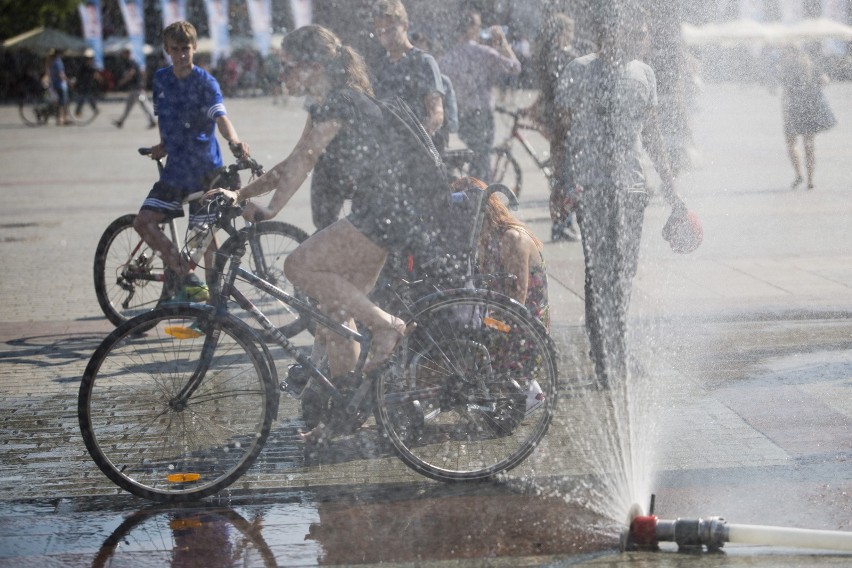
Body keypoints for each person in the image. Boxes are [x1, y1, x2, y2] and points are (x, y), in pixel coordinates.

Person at [205, 25, 444, 444]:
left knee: (298, 264)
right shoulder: (325, 104)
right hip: (386, 211)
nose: (282, 77)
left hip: (386, 212)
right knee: (335, 319)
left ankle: (387, 327)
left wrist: (271, 208)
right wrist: (241, 193)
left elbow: (307, 157)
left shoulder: (341, 101)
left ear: (313, 66)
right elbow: (293, 161)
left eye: (287, 67)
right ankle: (340, 423)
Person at [554, 7, 689, 390]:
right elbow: (561, 134)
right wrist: (559, 186)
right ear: (614, 32)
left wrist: (670, 186)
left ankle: (617, 349)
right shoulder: (578, 70)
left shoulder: (644, 73)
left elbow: (652, 134)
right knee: (599, 275)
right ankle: (604, 359)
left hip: (632, 190)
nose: (644, 38)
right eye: (639, 31)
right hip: (592, 190)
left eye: (646, 31)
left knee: (624, 275)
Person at [133, 21, 249, 302]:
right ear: (167, 51)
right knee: (143, 222)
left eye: (186, 48)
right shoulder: (161, 79)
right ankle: (184, 274)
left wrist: (234, 142)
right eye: (175, 50)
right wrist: (163, 145)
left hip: (206, 171)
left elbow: (222, 118)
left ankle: (213, 302)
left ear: (194, 48)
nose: (182, 55)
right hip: (175, 171)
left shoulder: (205, 82)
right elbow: (162, 116)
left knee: (204, 236)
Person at [453, 176, 549, 413]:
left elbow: (518, 301)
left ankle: (528, 391)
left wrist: (484, 320)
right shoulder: (485, 240)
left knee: (470, 332)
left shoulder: (511, 238)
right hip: (502, 315)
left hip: (526, 326)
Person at [439, 9, 521, 181]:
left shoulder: (449, 58)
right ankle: (483, 198)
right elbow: (514, 67)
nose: (480, 28)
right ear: (470, 29)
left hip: (462, 117)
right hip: (482, 115)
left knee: (475, 158)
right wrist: (502, 43)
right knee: (482, 161)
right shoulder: (484, 53)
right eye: (478, 25)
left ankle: (475, 194)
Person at [527, 13, 583, 242]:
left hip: (556, 123)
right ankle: (563, 225)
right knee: (569, 177)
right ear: (562, 33)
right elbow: (569, 93)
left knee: (562, 177)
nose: (573, 35)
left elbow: (548, 93)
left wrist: (537, 110)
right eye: (570, 31)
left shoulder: (547, 58)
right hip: (567, 123)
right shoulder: (566, 58)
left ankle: (561, 224)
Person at [371, 0, 445, 153]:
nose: (386, 37)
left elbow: (437, 114)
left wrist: (419, 139)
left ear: (405, 25)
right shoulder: (379, 67)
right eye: (380, 32)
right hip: (384, 153)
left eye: (391, 30)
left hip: (414, 155)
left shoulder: (423, 62)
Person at [775, 44, 837, 191]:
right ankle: (810, 180)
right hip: (810, 106)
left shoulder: (785, 66)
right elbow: (825, 80)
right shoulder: (810, 64)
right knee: (809, 144)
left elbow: (784, 91)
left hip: (793, 107)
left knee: (791, 142)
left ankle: (798, 174)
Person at [112, 48, 157, 129]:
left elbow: (131, 73)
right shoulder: (131, 61)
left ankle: (153, 120)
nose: (123, 55)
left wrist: (122, 82)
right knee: (130, 106)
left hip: (137, 88)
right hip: (135, 88)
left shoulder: (130, 62)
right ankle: (121, 121)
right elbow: (142, 72)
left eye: (124, 53)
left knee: (144, 104)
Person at [73, 49, 101, 119]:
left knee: (89, 98)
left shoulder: (90, 66)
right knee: (83, 98)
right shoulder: (84, 66)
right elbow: (79, 75)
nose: (89, 60)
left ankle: (94, 109)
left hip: (87, 84)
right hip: (83, 85)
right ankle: (78, 111)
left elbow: (95, 74)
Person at [45, 49, 69, 126]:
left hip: (54, 84)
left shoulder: (51, 62)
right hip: (60, 85)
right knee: (62, 103)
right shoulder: (58, 62)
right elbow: (61, 74)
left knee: (58, 102)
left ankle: (62, 118)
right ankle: (60, 119)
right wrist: (68, 81)